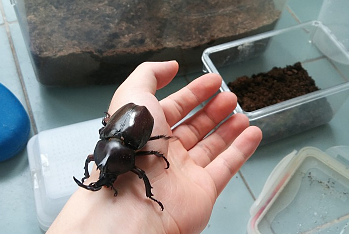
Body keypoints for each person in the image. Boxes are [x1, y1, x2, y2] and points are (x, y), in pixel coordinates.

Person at [47, 60, 262, 234]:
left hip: (135, 121)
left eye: (104, 171)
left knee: (138, 166)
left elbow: (132, 165)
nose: (105, 175)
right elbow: (102, 161)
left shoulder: (113, 140)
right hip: (123, 127)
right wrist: (91, 176)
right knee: (126, 165)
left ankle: (148, 194)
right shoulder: (108, 140)